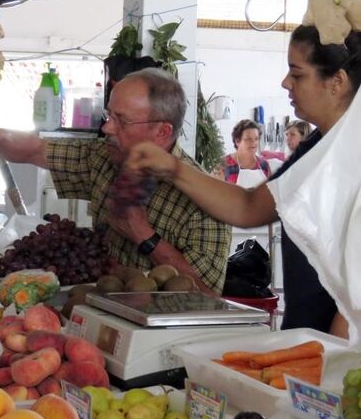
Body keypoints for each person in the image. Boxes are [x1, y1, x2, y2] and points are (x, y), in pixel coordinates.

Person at [125, 25, 359, 337]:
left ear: (337, 82)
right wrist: (173, 167)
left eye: (297, 74)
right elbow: (250, 207)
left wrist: (334, 361)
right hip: (308, 340)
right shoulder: (315, 147)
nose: (285, 83)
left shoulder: (351, 157)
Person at [0, 67, 231, 294]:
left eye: (122, 121)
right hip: (99, 309)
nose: (107, 127)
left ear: (162, 131)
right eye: (109, 115)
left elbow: (207, 294)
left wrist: (143, 235)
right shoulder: (105, 158)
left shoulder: (206, 201)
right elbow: (37, 149)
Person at [223, 119, 271, 186]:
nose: (253, 143)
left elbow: (272, 193)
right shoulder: (224, 164)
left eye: (256, 139)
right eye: (248, 139)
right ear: (237, 141)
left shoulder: (264, 165)